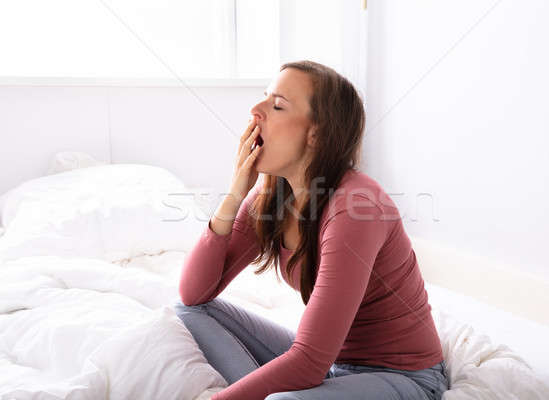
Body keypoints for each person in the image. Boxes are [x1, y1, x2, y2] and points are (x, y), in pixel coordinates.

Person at [174, 60, 449, 400]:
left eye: (277, 105)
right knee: (189, 312)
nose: (255, 110)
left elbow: (308, 363)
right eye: (264, 97)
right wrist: (235, 194)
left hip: (405, 377)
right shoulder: (271, 195)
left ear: (316, 134)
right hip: (334, 366)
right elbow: (193, 295)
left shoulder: (355, 208)